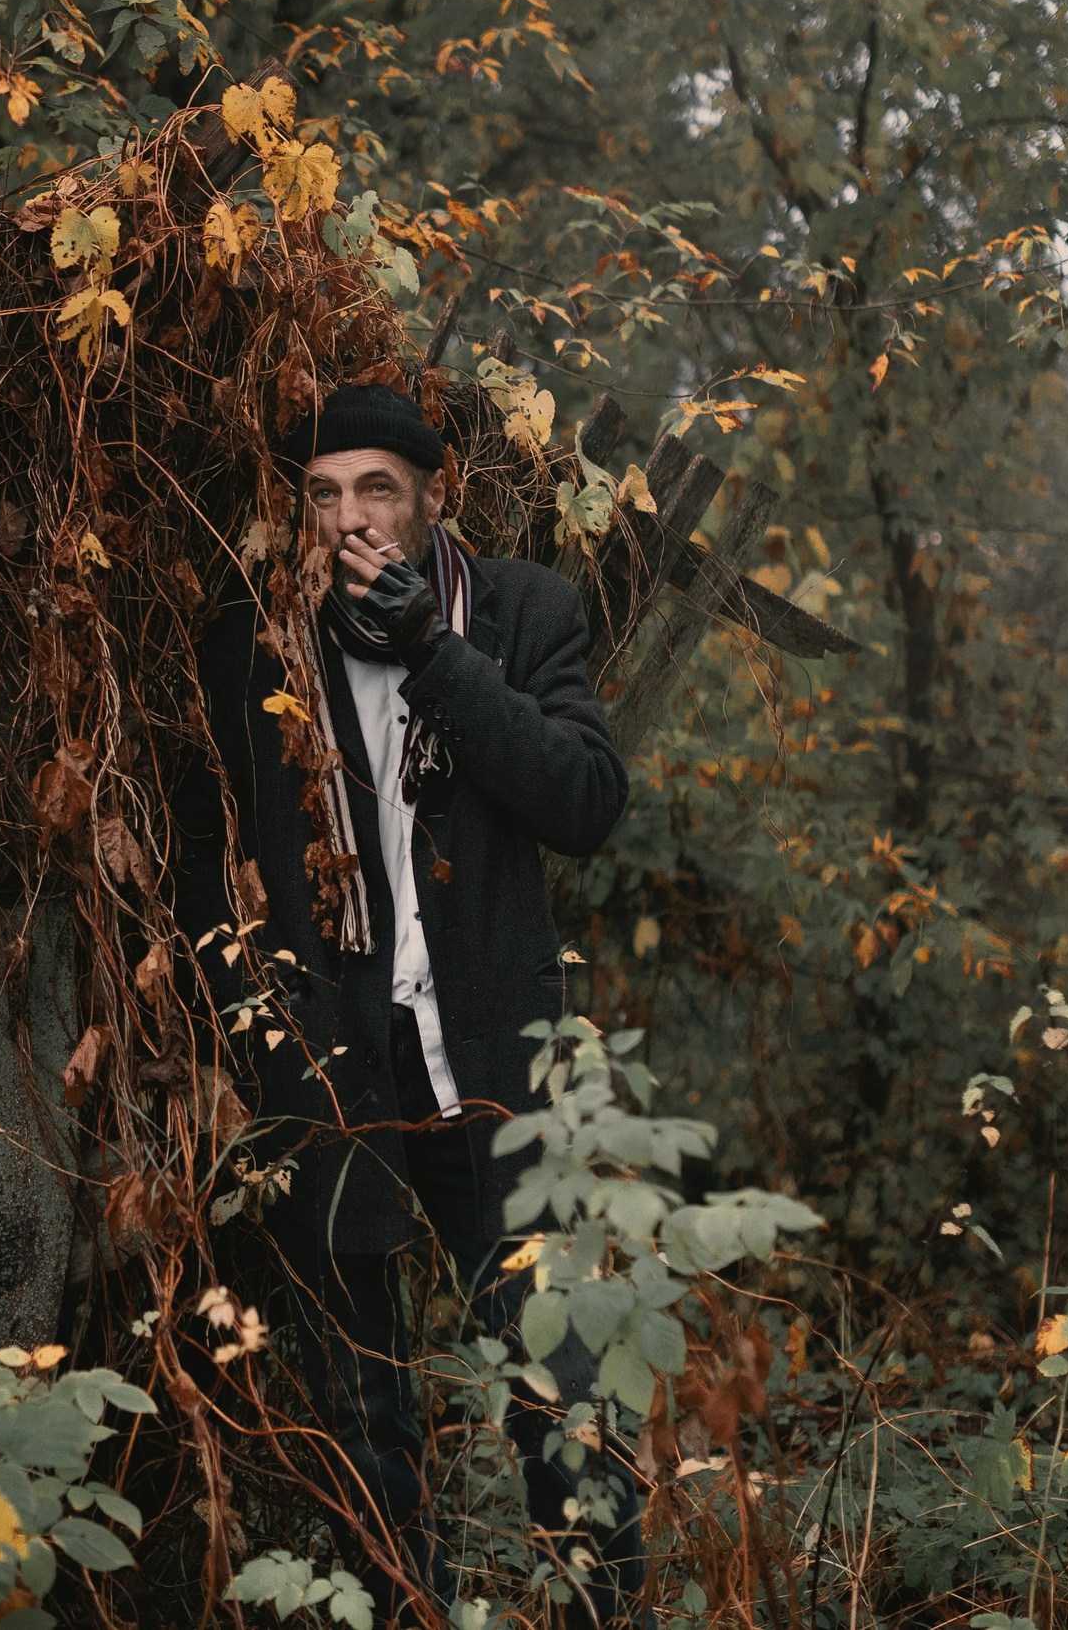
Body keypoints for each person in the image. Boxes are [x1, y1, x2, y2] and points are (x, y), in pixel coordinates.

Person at [170, 382, 641, 1626]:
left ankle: (606, 1609)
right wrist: (262, 1036)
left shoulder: (520, 610)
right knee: (360, 1407)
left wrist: (435, 653)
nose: (349, 518)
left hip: (490, 1056)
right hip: (334, 1068)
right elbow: (204, 865)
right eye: (322, 496)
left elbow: (585, 801)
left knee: (563, 1372)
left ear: (434, 498)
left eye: (376, 487)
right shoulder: (250, 644)